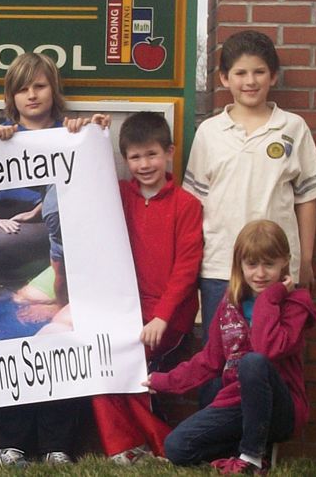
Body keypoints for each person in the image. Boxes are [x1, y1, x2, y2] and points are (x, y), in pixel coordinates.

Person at [0, 52, 108, 467]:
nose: (32, 95)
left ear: (54, 90)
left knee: (60, 343)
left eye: (39, 86)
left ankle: (59, 441)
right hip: (14, 262)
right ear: (11, 96)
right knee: (8, 344)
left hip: (61, 262)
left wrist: (90, 134)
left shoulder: (73, 134)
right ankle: (9, 440)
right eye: (22, 88)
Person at [145, 220, 316, 474]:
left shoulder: (294, 304)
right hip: (237, 403)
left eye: (268, 264)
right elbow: (209, 360)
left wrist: (271, 297)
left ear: (284, 262)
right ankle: (251, 446)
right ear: (240, 264)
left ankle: (251, 458)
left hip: (282, 407)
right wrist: (163, 381)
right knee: (176, 447)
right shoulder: (231, 305)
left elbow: (268, 350)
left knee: (253, 361)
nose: (260, 273)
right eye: (252, 264)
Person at [183, 30, 316, 346]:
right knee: (219, 359)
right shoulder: (210, 132)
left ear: (273, 76)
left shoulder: (292, 127)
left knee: (274, 356)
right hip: (221, 266)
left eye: (259, 72)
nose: (250, 81)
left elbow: (307, 198)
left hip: (277, 268)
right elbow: (195, 202)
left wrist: (305, 261)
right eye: (240, 73)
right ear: (224, 78)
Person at [91, 112, 203, 464]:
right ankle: (124, 447)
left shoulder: (187, 205)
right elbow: (86, 173)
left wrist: (162, 319)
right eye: (135, 157)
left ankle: (160, 443)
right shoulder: (118, 195)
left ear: (169, 152)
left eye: (152, 154)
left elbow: (186, 271)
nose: (144, 164)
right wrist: (94, 132)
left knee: (130, 368)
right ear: (125, 160)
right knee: (99, 361)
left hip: (166, 316)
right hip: (125, 308)